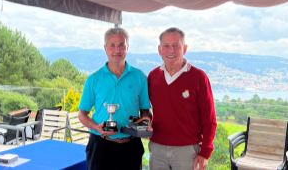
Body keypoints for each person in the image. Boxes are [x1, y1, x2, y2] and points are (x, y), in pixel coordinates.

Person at [78, 27, 151, 170]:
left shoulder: (139, 77)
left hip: (131, 146)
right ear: (105, 48)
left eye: (121, 45)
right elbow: (82, 114)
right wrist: (96, 127)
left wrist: (145, 124)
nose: (117, 50)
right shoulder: (94, 79)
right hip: (100, 146)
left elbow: (145, 110)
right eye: (112, 45)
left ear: (127, 48)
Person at [148, 27, 217, 170]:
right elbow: (145, 109)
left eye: (176, 46)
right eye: (166, 46)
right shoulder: (153, 76)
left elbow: (209, 120)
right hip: (157, 149)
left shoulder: (199, 77)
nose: (171, 50)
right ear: (159, 50)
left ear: (184, 48)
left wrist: (205, 153)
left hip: (187, 152)